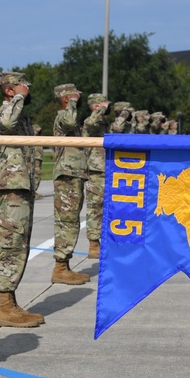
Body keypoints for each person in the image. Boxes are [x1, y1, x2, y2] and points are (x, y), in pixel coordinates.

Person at [0, 72, 45, 328]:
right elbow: (7, 124)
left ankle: (10, 302)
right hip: (10, 187)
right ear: (10, 90)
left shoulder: (21, 114)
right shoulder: (4, 112)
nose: (28, 90)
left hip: (20, 186)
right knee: (11, 245)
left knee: (20, 245)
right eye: (24, 87)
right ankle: (4, 308)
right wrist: (20, 96)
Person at [50, 84, 90, 285]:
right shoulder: (63, 118)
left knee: (71, 220)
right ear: (66, 99)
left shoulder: (70, 120)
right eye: (74, 97)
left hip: (74, 174)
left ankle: (64, 265)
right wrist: (72, 102)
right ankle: (60, 267)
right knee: (67, 221)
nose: (78, 99)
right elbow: (70, 119)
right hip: (67, 175)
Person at [82, 93, 110, 260]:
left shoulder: (103, 122)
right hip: (96, 169)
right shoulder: (90, 121)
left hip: (106, 167)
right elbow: (92, 122)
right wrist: (100, 110)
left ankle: (104, 240)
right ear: (96, 106)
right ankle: (94, 244)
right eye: (104, 104)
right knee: (95, 207)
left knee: (106, 206)